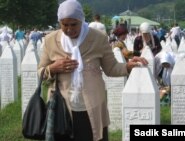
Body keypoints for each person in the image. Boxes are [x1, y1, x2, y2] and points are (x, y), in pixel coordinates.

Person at [37, 0, 148, 141]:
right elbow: (40, 72)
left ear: (81, 20)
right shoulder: (50, 40)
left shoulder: (98, 38)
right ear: (59, 22)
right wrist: (52, 68)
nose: (69, 29)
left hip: (92, 106)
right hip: (62, 108)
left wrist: (127, 66)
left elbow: (111, 68)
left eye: (74, 24)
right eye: (65, 25)